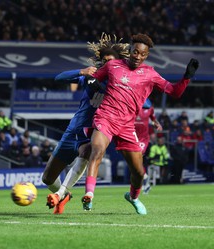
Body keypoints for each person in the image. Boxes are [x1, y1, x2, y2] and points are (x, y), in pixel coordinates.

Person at [82, 33, 199, 214]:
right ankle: (89, 194)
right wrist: (91, 81)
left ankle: (133, 197)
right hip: (106, 117)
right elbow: (93, 78)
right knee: (97, 149)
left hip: (128, 126)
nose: (138, 56)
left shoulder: (150, 74)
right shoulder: (112, 65)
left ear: (146, 56)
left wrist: (186, 77)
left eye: (142, 54)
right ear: (129, 50)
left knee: (139, 173)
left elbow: (174, 92)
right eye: (135, 52)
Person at [42, 33, 131, 214]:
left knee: (87, 151)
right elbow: (59, 78)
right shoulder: (91, 76)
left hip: (94, 130)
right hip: (72, 131)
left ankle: (59, 194)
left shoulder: (119, 84)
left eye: (110, 61)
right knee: (47, 178)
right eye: (104, 60)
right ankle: (64, 193)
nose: (106, 64)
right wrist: (81, 72)